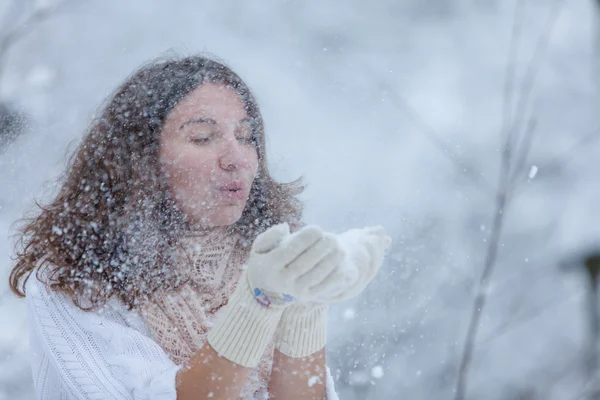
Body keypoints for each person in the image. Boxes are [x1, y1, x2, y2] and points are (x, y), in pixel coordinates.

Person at [8, 55, 391, 399]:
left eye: (246, 137)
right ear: (141, 159)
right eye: (203, 137)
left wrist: (305, 302)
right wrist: (258, 302)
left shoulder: (265, 258)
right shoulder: (73, 278)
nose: (237, 158)